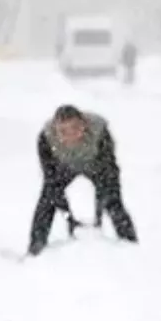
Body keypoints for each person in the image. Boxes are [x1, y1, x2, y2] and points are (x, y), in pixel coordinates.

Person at [29, 104, 138, 256]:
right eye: (63, 131)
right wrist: (70, 218)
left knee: (113, 201)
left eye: (75, 128)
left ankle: (130, 244)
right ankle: (36, 248)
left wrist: (98, 216)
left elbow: (110, 172)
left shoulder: (100, 132)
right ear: (55, 130)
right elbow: (51, 180)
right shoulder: (46, 139)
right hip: (63, 167)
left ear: (84, 124)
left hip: (96, 165)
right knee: (47, 200)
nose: (71, 135)